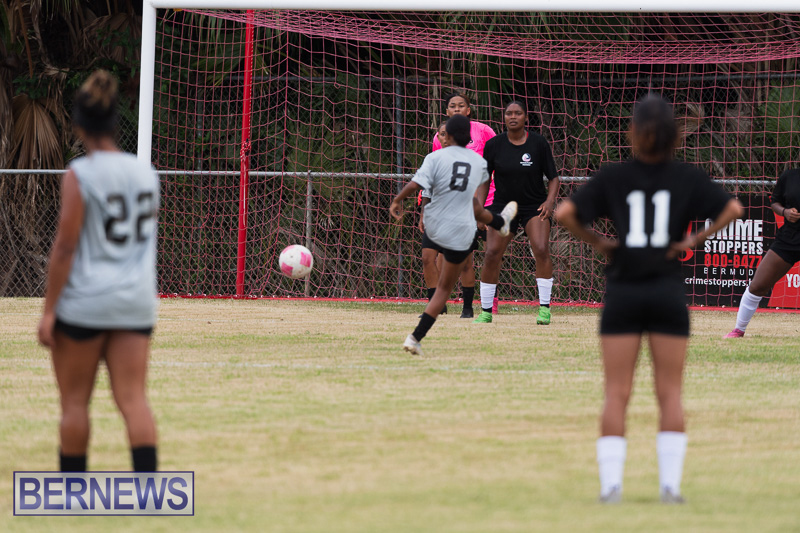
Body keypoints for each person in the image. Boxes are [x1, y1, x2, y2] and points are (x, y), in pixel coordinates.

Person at [556, 94, 743, 504]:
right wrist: (693, 239)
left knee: (616, 391)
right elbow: (733, 207)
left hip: (623, 291)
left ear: (633, 132)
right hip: (666, 291)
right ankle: (670, 487)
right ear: (676, 135)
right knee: (670, 392)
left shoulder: (614, 176)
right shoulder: (688, 177)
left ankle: (611, 488)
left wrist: (600, 242)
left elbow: (564, 212)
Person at [37, 70, 160, 472]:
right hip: (136, 302)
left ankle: (72, 495)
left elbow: (66, 246)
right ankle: (149, 496)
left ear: (78, 125)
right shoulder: (146, 173)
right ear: (114, 123)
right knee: (133, 399)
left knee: (74, 404)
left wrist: (50, 311)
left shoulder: (80, 174)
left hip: (86, 302)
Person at [391, 114, 517, 355]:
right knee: (446, 288)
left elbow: (416, 184)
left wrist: (398, 199)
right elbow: (475, 202)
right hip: (460, 227)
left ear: (446, 135)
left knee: (440, 285)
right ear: (469, 136)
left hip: (436, 224)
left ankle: (415, 337)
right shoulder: (478, 162)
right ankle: (500, 222)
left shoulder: (435, 157)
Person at [474, 100, 560, 325]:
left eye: (518, 113)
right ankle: (485, 312)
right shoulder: (493, 145)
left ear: (526, 118)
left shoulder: (538, 143)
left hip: (534, 206)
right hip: (503, 207)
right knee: (492, 252)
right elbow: (484, 180)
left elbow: (553, 178)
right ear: (504, 118)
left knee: (541, 248)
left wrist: (550, 202)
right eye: (509, 113)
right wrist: (480, 210)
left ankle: (544, 309)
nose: (513, 117)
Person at [418, 94, 498, 318]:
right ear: (446, 111)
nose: (456, 109)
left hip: (487, 200)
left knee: (492, 252)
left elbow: (496, 159)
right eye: (452, 106)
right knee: (452, 257)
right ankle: (440, 303)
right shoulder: (440, 137)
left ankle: (489, 299)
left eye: (461, 105)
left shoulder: (483, 131)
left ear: (469, 110)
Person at [726, 167, 800, 337]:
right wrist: (785, 212)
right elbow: (775, 202)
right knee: (758, 285)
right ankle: (739, 330)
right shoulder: (790, 175)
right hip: (788, 239)